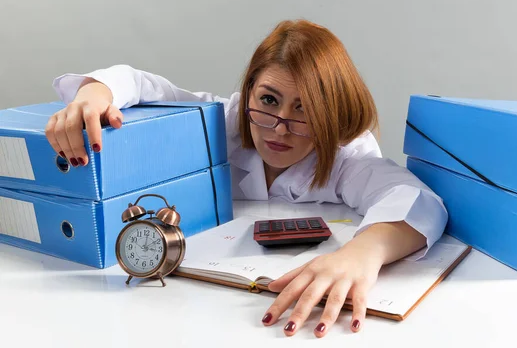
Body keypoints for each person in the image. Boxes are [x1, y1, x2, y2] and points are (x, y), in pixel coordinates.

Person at [46, 19, 448, 338]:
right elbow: (139, 84)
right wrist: (95, 93)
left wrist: (360, 255)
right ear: (250, 89)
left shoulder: (346, 154)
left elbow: (415, 199)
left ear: (330, 115)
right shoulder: (222, 121)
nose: (278, 129)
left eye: (304, 110)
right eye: (268, 100)